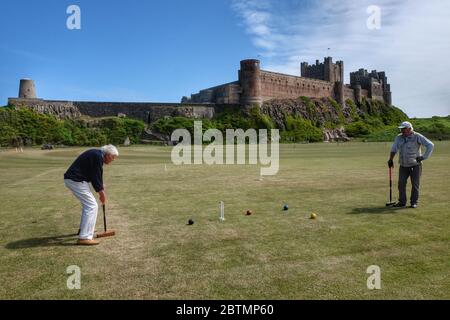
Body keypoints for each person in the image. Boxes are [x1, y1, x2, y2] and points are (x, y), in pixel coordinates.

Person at [64, 145, 119, 245]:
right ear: (107, 155)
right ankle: (84, 237)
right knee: (92, 206)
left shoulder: (97, 155)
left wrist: (101, 186)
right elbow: (95, 175)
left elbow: (97, 174)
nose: (113, 159)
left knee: (89, 205)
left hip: (75, 180)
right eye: (113, 157)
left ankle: (83, 230)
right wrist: (101, 193)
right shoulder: (97, 156)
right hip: (75, 180)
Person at [388, 121, 434, 208]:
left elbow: (430, 145)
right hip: (403, 165)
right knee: (401, 184)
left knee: (415, 184)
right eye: (401, 129)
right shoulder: (399, 137)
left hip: (415, 165)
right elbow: (394, 148)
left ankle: (414, 202)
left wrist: (424, 157)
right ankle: (402, 202)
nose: (401, 131)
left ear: (409, 129)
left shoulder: (417, 136)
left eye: (403, 129)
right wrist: (390, 159)